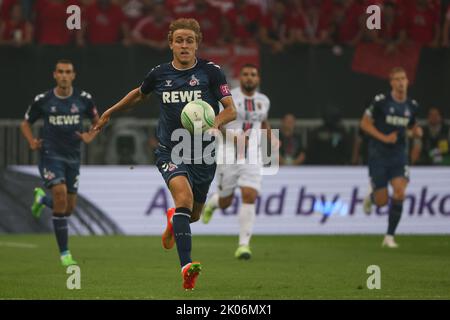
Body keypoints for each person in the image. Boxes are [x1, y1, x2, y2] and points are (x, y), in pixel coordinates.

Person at [93, 18, 237, 290]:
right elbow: (139, 95)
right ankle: (186, 268)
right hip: (171, 150)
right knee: (183, 198)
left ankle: (174, 220)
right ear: (171, 43)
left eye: (190, 41)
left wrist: (214, 122)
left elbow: (231, 109)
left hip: (203, 154)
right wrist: (110, 112)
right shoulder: (159, 74)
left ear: (197, 44)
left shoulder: (211, 72)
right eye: (179, 40)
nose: (184, 45)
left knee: (192, 215)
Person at [20, 59, 99, 266]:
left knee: (68, 208)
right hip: (50, 154)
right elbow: (25, 123)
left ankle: (41, 201)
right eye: (61, 72)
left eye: (68, 72)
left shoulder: (84, 99)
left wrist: (91, 135)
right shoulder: (43, 100)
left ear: (73, 75)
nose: (64, 75)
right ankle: (65, 254)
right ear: (55, 75)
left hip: (73, 157)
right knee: (60, 194)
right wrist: (31, 142)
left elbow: (97, 122)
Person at [201, 64, 275, 260]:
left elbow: (263, 122)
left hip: (252, 153)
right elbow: (216, 122)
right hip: (228, 151)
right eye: (246, 74)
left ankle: (243, 246)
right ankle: (214, 203)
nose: (249, 78)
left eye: (253, 74)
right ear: (240, 78)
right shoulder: (229, 98)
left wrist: (271, 138)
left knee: (249, 194)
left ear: (258, 79)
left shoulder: (264, 101)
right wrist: (232, 137)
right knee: (227, 201)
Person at [360, 67, 423, 248]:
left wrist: (416, 131)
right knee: (382, 202)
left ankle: (389, 236)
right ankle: (372, 196)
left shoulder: (412, 106)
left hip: (398, 156)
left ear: (407, 81)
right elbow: (364, 124)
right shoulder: (381, 102)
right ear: (391, 83)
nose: (401, 82)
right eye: (397, 79)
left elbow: (412, 126)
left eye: (403, 78)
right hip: (378, 155)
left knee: (400, 192)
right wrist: (384, 138)